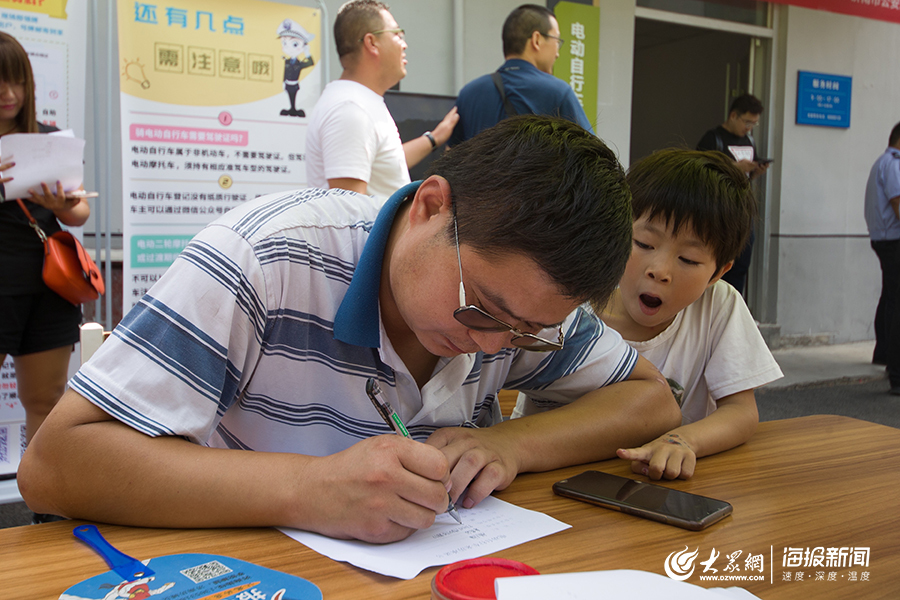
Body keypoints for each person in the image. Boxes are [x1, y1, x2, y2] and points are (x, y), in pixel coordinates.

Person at [20, 116, 681, 543]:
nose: (489, 346)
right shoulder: (267, 258)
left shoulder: (517, 307)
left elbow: (651, 398)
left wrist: (514, 445)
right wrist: (309, 489)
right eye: (479, 307)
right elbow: (53, 468)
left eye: (525, 333)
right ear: (429, 207)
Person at [591, 149, 783, 480]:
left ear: (718, 273)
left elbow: (741, 411)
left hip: (662, 487)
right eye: (644, 244)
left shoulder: (718, 305)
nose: (660, 270)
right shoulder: (575, 301)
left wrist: (683, 440)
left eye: (689, 260)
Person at [0, 31, 91, 447]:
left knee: (46, 399)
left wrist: (58, 204)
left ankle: (42, 507)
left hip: (50, 285)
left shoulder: (50, 138)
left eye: (17, 80)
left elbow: (79, 211)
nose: (8, 93)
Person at [305, 0, 459, 201]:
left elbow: (383, 163)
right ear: (372, 43)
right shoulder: (351, 110)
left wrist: (434, 138)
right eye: (397, 34)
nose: (404, 44)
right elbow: (350, 215)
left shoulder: (359, 101)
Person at [448, 4, 593, 146]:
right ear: (537, 40)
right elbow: (592, 156)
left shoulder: (469, 93)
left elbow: (450, 159)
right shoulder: (559, 93)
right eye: (556, 41)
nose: (557, 53)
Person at [696, 94, 770, 295]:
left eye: (754, 123)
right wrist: (734, 166)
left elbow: (744, 176)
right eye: (747, 122)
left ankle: (734, 310)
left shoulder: (749, 140)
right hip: (718, 210)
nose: (749, 127)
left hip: (743, 210)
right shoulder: (713, 139)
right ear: (733, 116)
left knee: (741, 263)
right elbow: (700, 173)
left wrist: (754, 171)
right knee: (716, 264)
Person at [864, 122, 900, 387]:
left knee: (890, 295)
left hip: (882, 238)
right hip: (893, 238)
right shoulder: (894, 163)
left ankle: (884, 352)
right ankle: (894, 366)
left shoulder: (881, 162)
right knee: (896, 300)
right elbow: (898, 201)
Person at [277, 18, 315, 118]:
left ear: (303, 46)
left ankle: (293, 108)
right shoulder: (287, 61)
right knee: (289, 96)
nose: (288, 48)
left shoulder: (299, 64)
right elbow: (284, 72)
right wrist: (283, 82)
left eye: (294, 44)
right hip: (288, 84)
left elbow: (311, 63)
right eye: (284, 43)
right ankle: (291, 108)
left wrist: (307, 53)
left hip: (294, 84)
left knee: (294, 97)